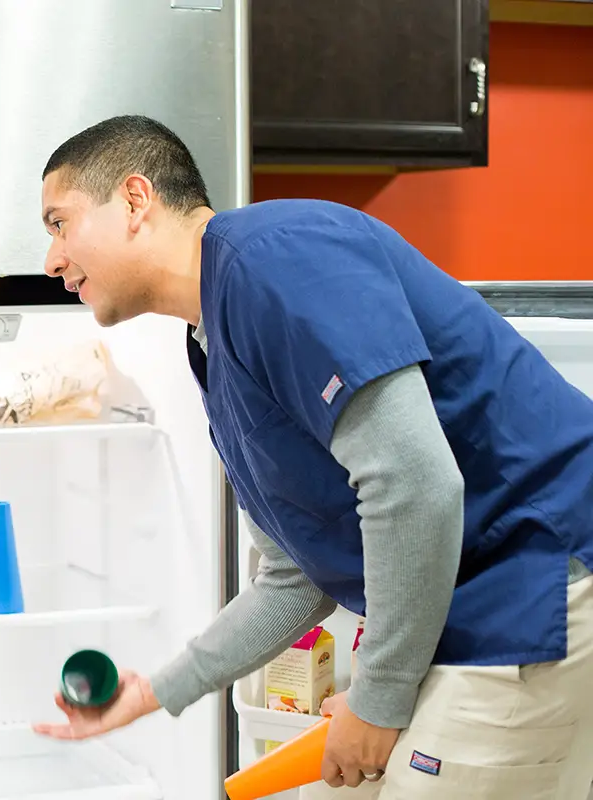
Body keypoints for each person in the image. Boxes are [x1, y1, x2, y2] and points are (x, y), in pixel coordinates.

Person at [30, 115, 593, 799]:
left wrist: (378, 698)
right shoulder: (213, 341)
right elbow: (293, 577)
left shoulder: (279, 262)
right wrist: (156, 692)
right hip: (464, 611)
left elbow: (415, 483)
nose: (51, 259)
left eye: (59, 223)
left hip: (539, 583)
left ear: (136, 200)